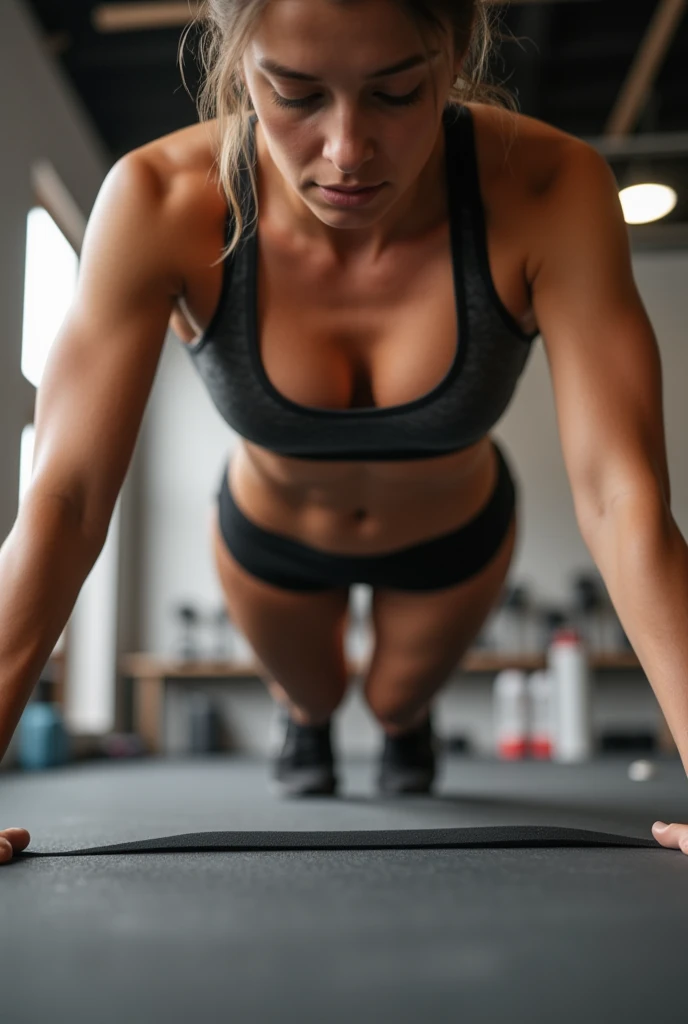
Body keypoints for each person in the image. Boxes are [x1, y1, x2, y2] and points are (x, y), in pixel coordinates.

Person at [2, 0, 688, 864]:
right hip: (272, 542)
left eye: (399, 93)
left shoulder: (550, 186)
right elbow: (62, 501)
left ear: (458, 52)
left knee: (399, 702)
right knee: (315, 695)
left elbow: (623, 495)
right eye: (293, 94)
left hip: (455, 540)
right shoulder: (159, 199)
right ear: (239, 63)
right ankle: (307, 721)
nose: (347, 151)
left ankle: (404, 725)